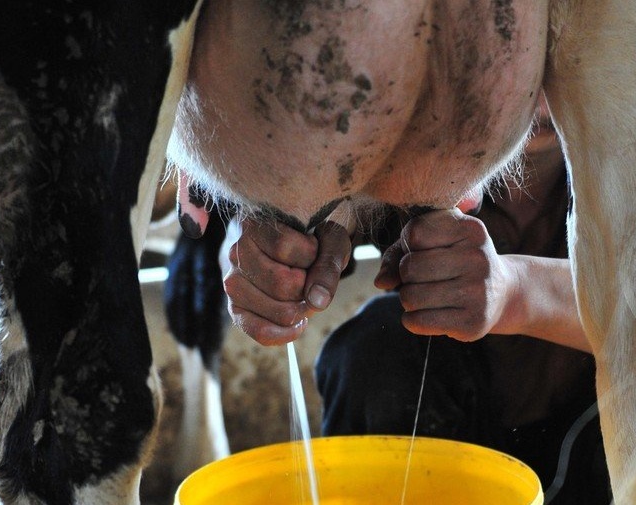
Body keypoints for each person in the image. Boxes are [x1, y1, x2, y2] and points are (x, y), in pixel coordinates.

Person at [223, 95, 612, 504]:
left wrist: (514, 289)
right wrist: (280, 237)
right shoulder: (407, 140)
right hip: (439, 432)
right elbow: (257, 231)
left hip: (595, 446)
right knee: (377, 348)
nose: (541, 91)